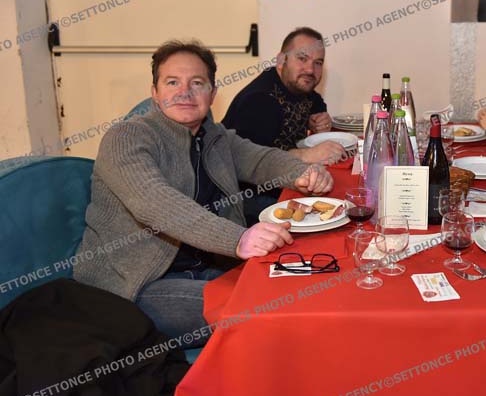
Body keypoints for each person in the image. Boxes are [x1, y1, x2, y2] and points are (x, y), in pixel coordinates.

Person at [74, 40, 334, 343]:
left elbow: (260, 159)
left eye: (197, 83)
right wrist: (238, 239)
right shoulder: (126, 137)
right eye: (172, 82)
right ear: (155, 92)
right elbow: (155, 202)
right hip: (133, 286)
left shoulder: (213, 135)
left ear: (212, 93)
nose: (185, 92)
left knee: (302, 285)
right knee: (264, 314)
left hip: (205, 269)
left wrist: (302, 172)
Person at [223, 27, 343, 165]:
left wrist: (320, 121)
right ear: (281, 60)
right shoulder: (259, 101)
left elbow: (316, 105)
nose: (310, 70)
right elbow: (251, 160)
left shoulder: (298, 86)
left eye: (318, 63)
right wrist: (305, 155)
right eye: (302, 58)